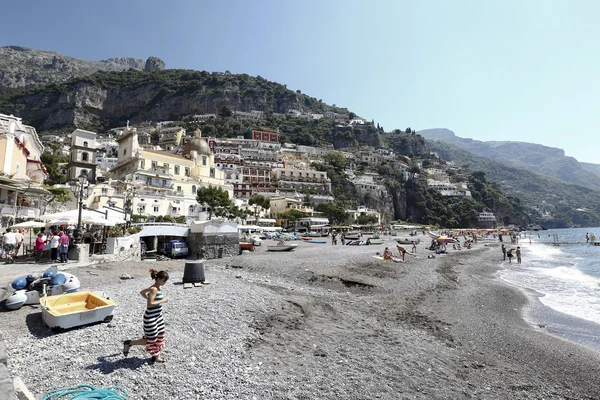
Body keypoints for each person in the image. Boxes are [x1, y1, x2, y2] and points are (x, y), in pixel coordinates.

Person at [123, 269, 170, 363]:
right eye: (164, 280)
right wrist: (163, 300)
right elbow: (150, 304)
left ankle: (153, 354)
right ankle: (154, 356)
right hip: (151, 318)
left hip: (158, 317)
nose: (165, 282)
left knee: (159, 336)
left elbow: (142, 292)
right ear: (159, 279)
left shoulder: (155, 287)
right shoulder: (154, 289)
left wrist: (148, 297)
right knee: (151, 339)